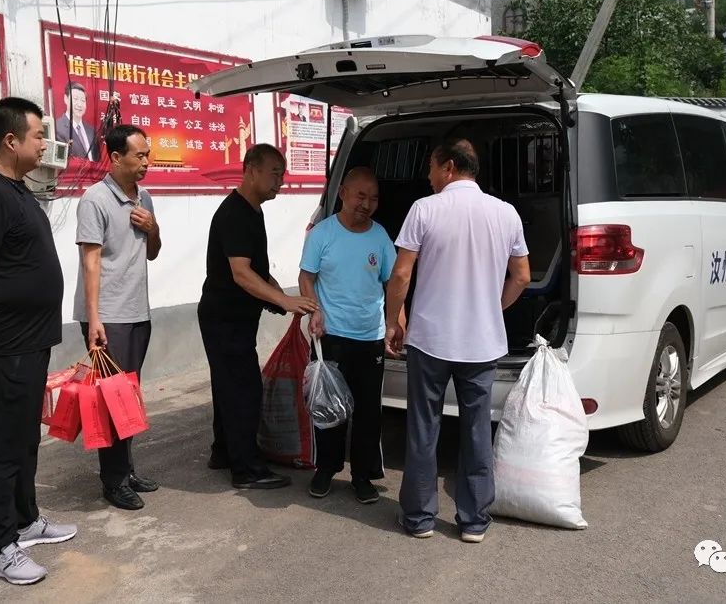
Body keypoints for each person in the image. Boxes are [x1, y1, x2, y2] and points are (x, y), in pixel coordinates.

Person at [0, 97, 77, 585]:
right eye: (38, 135)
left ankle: (26, 521)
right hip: (3, 347)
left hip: (30, 343)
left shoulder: (16, 187)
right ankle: (2, 547)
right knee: (0, 447)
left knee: (25, 439)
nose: (45, 143)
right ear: (11, 140)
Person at [384, 138, 531, 544]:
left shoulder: (424, 209)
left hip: (430, 340)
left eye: (431, 168)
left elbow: (401, 274)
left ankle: (419, 518)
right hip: (481, 344)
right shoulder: (506, 213)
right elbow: (522, 275)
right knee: (477, 428)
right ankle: (474, 521)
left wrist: (392, 321)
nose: (428, 177)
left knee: (423, 427)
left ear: (448, 166)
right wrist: (492, 308)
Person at [199, 143, 319, 490]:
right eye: (274, 173)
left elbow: (258, 270)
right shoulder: (235, 214)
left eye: (282, 175)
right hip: (224, 318)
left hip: (234, 317)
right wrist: (283, 299)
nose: (280, 182)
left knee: (228, 387)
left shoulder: (252, 211)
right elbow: (241, 274)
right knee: (244, 390)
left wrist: (282, 300)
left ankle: (224, 452)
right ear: (251, 170)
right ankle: (247, 470)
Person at [74, 124, 162, 511]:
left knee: (129, 397)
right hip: (108, 316)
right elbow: (90, 262)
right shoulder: (94, 200)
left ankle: (126, 470)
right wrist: (95, 319)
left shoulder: (145, 197)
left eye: (147, 155)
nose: (146, 162)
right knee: (112, 399)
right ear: (115, 157)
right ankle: (113, 481)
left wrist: (152, 228)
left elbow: (153, 251)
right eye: (139, 155)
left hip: (137, 310)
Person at [298, 167, 399, 504]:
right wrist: (314, 311)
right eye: (360, 196)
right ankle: (325, 469)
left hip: (370, 337)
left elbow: (392, 283)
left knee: (368, 411)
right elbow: (306, 277)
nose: (366, 205)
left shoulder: (380, 237)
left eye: (373, 199)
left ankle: (362, 476)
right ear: (343, 193)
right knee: (328, 406)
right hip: (331, 336)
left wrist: (397, 323)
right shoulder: (322, 234)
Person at [56, 82, 98, 161]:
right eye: (75, 99)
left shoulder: (91, 131)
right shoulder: (57, 128)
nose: (79, 104)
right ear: (66, 99)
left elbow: (97, 159)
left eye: (83, 100)